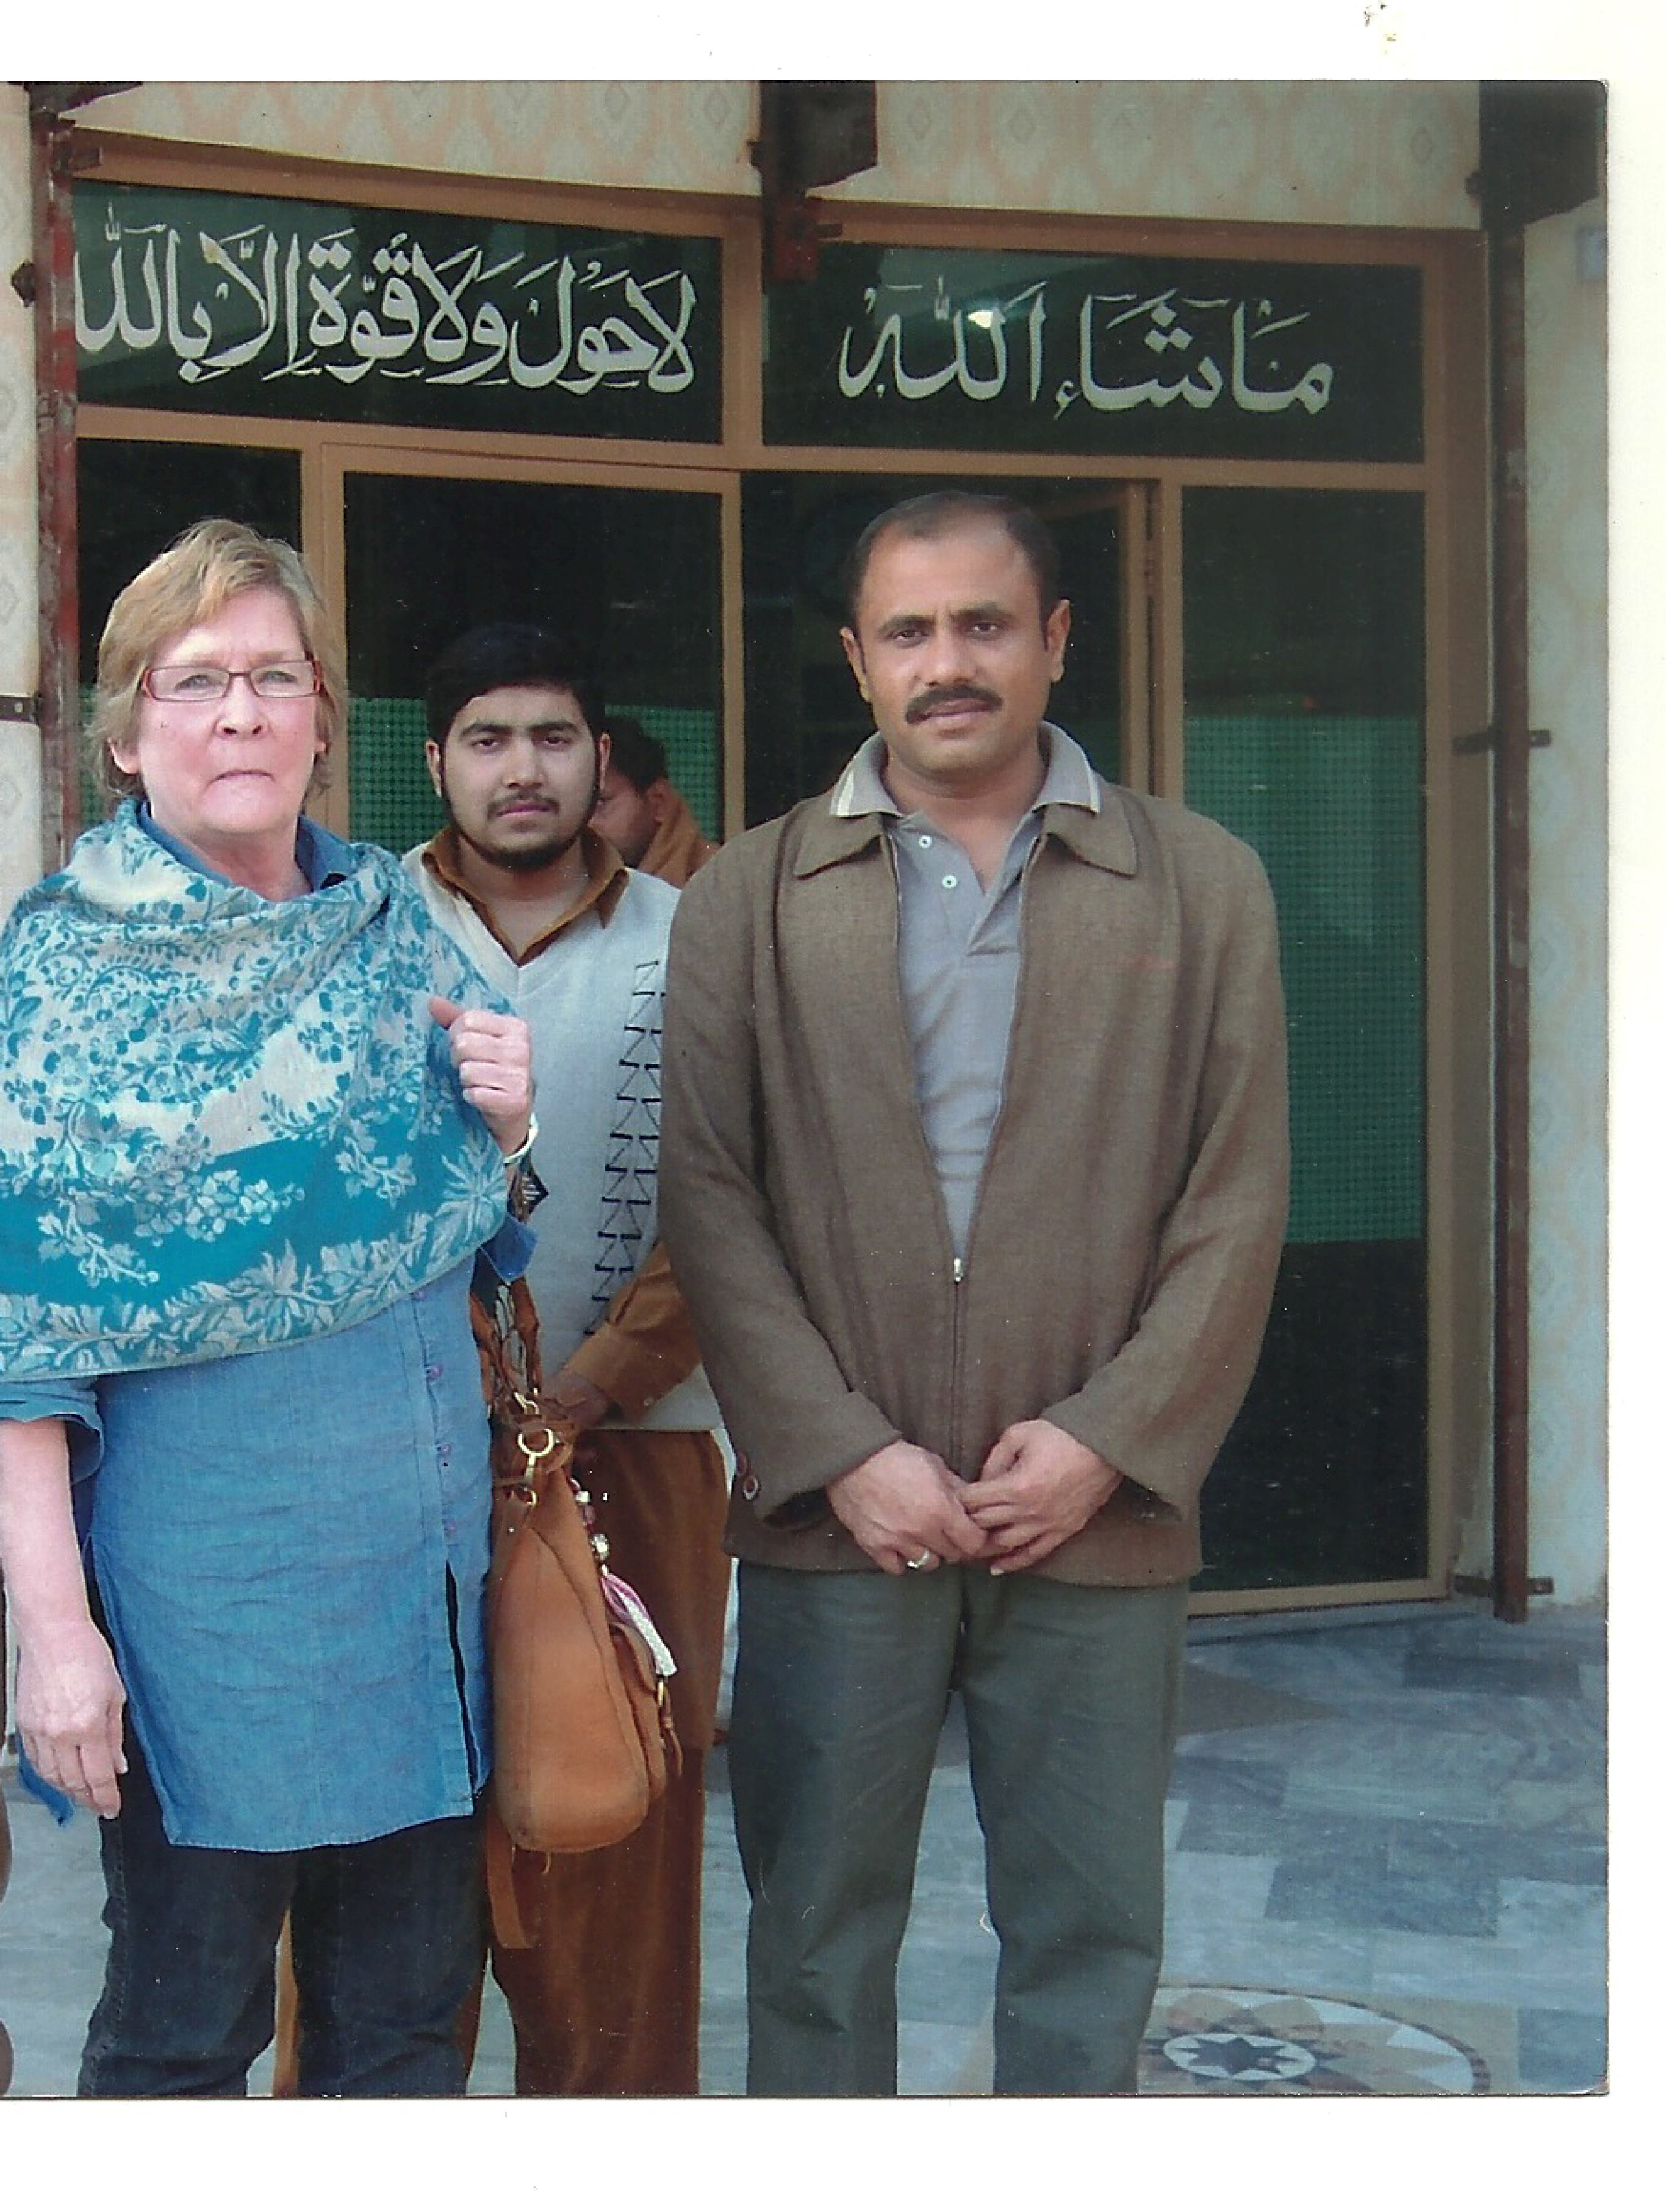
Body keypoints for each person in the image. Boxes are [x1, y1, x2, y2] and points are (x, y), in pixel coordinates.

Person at [660, 488, 1289, 2095]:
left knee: (1086, 1948)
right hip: (838, 1522)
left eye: (984, 624)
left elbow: (1234, 1200)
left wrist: (1104, 1439)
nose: (947, 663)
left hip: (1090, 1516)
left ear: (1055, 640)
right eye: (909, 632)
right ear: (857, 661)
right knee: (812, 1943)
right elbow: (709, 1196)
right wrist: (839, 1451)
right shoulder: (752, 895)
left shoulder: (1199, 885)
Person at [0, 518, 535, 2098]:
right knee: (183, 2042)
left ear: (323, 717)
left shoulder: (393, 924)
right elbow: (15, 1350)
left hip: (419, 1605)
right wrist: (55, 1641)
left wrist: (507, 1121)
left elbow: (460, 1235)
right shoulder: (60, 979)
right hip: (204, 1624)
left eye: (275, 677)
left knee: (403, 2036)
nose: (239, 715)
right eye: (193, 680)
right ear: (125, 732)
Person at [400, 620, 732, 2095]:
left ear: (603, 760)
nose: (521, 768)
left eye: (552, 737)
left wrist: (589, 1381)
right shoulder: (359, 927)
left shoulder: (697, 938)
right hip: (401, 1457)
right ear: (434, 761)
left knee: (616, 1851)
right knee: (380, 1868)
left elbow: (732, 1197)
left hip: (633, 1456)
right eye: (487, 738)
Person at [586, 725, 719, 886]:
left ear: (658, 802)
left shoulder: (720, 882)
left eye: (600, 804)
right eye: (582, 807)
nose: (587, 824)